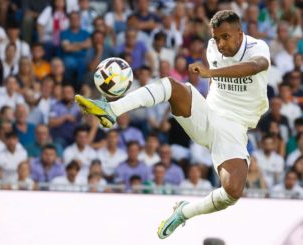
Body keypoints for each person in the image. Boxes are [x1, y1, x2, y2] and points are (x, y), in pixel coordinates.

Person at [75, 10, 271, 239]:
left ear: (240, 33)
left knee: (233, 192)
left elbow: (257, 66)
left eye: (226, 37)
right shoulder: (212, 46)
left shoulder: (257, 47)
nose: (219, 44)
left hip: (235, 128)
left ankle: (184, 212)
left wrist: (211, 72)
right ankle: (111, 110)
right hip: (208, 114)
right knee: (171, 85)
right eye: (216, 38)